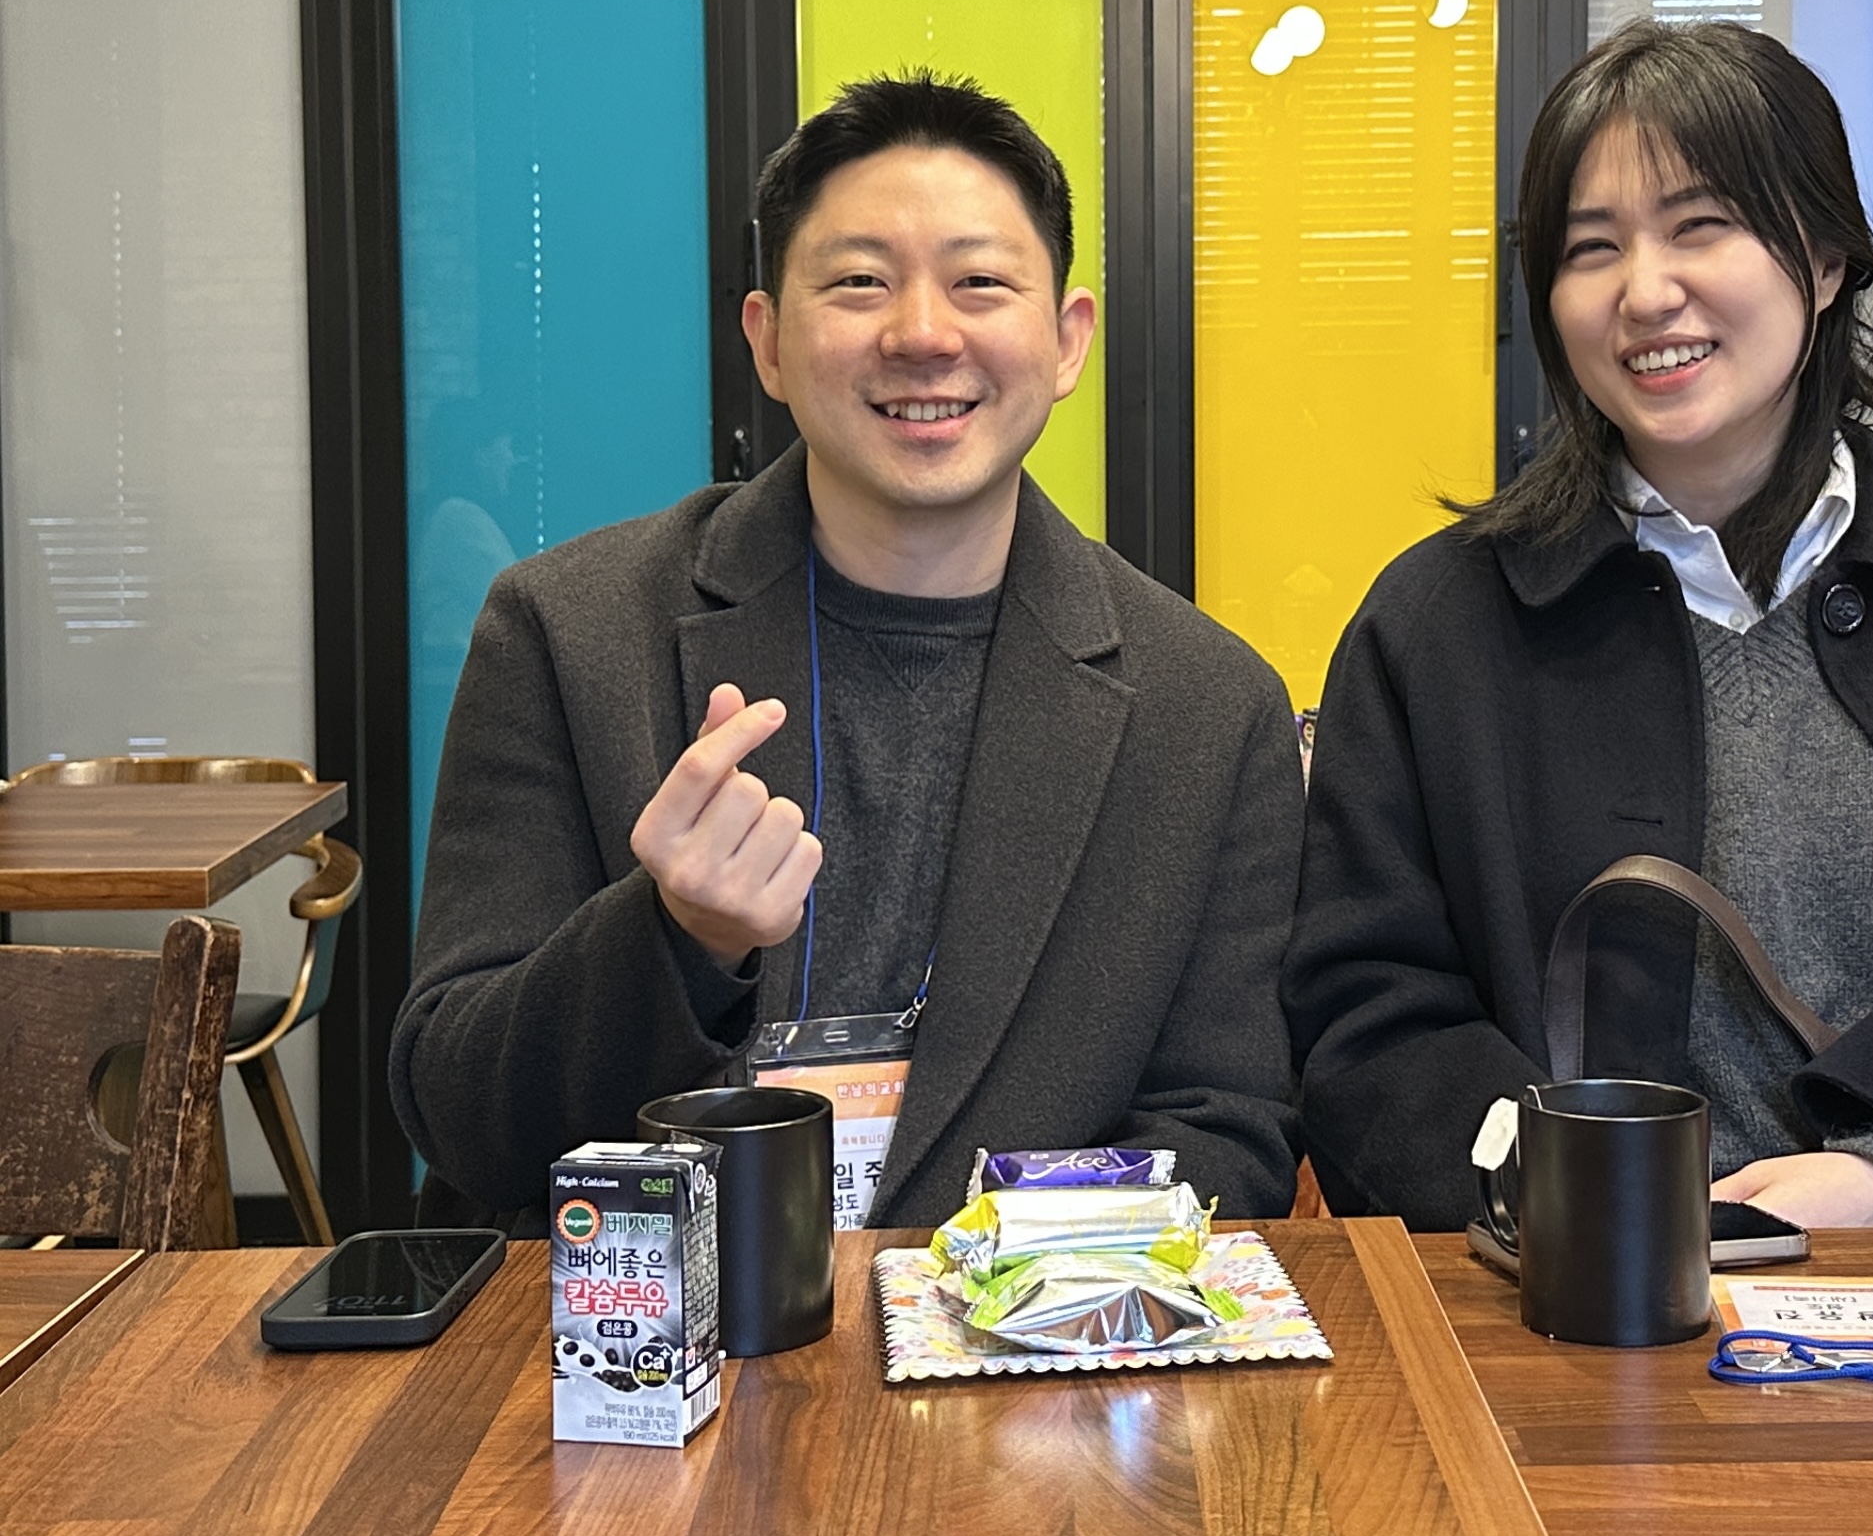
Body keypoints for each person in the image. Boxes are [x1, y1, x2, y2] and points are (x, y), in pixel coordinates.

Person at [1282, 20, 1873, 1234]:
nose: (1643, 291)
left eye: (1699, 225)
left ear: (1824, 261)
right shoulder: (1437, 624)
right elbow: (1362, 1007)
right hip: (1557, 1297)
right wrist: (1576, 1195)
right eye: (1589, 247)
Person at [392, 73, 1303, 1231]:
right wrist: (675, 940)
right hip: (632, 1326)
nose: (922, 333)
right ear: (768, 341)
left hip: (1017, 1335)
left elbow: (1226, 1133)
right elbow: (458, 1113)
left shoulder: (1208, 707)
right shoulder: (566, 633)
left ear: (1067, 340)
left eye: (979, 282)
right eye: (859, 281)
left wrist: (969, 1275)